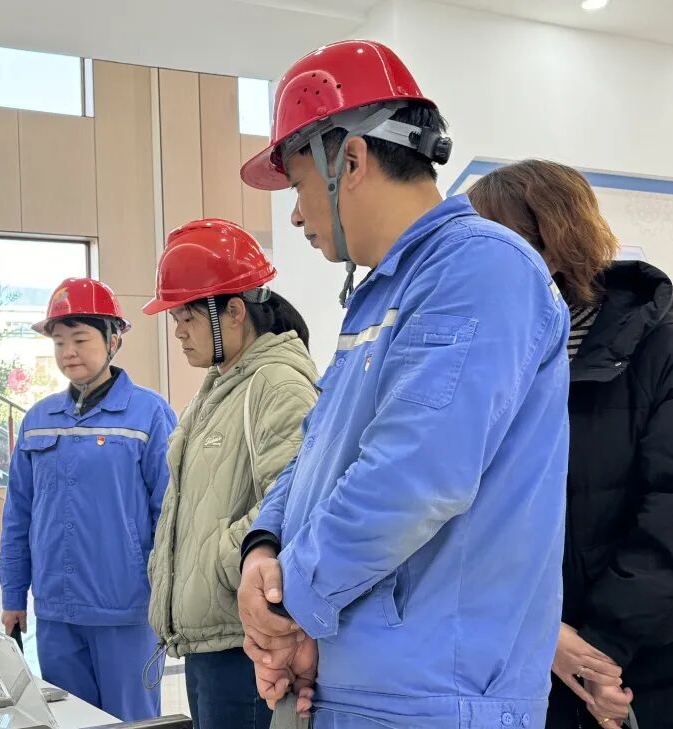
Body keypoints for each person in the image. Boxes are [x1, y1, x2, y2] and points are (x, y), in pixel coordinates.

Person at [235, 41, 571, 727]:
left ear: (351, 160)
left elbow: (415, 474)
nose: (296, 214)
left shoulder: (480, 268)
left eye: (298, 185)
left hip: (437, 695)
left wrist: (287, 600)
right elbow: (318, 448)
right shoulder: (381, 295)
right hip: (360, 680)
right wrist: (263, 547)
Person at [469, 159, 673, 729]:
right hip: (514, 653)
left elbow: (669, 518)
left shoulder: (660, 350)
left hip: (629, 667)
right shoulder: (496, 352)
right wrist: (534, 631)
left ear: (553, 242)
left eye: (492, 242)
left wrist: (599, 651)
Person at [142, 218, 318, 729]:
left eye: (188, 317)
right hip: (212, 639)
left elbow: (293, 502)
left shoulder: (277, 384)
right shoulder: (219, 387)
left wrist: (221, 561)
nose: (178, 331)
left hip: (246, 643)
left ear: (235, 312)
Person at [0, 277, 176, 722]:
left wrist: (168, 596)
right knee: (70, 719)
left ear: (113, 340)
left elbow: (171, 513)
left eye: (80, 339)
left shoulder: (149, 414)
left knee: (132, 721)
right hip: (56, 611)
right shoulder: (39, 419)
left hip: (126, 609)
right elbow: (18, 514)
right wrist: (13, 594)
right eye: (59, 342)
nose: (68, 352)